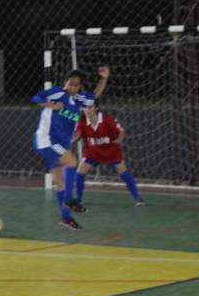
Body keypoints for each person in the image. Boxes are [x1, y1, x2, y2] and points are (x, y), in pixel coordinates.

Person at [32, 67, 109, 216]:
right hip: (47, 140)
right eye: (70, 83)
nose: (72, 86)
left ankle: (65, 217)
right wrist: (52, 105)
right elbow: (36, 97)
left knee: (60, 183)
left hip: (59, 143)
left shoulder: (79, 99)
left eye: (76, 85)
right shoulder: (58, 93)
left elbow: (94, 95)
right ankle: (69, 200)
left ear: (80, 87)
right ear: (65, 82)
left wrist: (104, 78)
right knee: (73, 162)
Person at [71, 99, 144, 206]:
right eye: (85, 107)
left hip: (111, 151)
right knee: (79, 173)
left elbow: (121, 131)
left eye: (90, 107)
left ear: (96, 108)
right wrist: (69, 141)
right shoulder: (81, 122)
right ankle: (78, 198)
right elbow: (77, 136)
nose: (87, 109)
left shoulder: (107, 120)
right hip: (93, 152)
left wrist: (119, 140)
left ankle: (138, 198)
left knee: (124, 173)